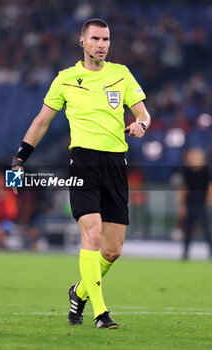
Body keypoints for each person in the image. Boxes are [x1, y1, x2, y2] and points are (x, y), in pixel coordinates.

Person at [11, 18, 151, 329]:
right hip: (83, 163)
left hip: (116, 163)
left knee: (112, 250)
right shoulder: (65, 79)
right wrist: (20, 158)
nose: (102, 44)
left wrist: (142, 123)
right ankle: (101, 314)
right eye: (96, 39)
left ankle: (79, 292)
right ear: (82, 42)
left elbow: (143, 112)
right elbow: (42, 122)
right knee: (92, 234)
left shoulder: (121, 74)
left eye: (106, 39)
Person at [178, 148, 212, 260]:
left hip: (201, 204)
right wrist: (182, 205)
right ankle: (185, 254)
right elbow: (184, 188)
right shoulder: (187, 171)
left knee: (207, 231)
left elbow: (209, 187)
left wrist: (207, 201)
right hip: (190, 203)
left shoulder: (206, 170)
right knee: (188, 231)